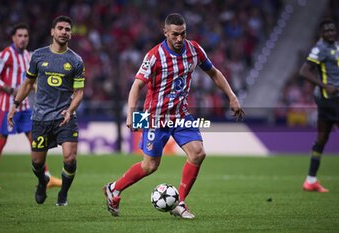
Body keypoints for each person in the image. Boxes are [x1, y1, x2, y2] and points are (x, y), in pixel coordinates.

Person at [103, 13, 244, 219]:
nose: (179, 39)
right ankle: (114, 188)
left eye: (183, 34)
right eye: (175, 35)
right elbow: (137, 85)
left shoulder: (194, 49)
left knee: (198, 153)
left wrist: (232, 97)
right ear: (166, 32)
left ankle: (181, 204)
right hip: (156, 117)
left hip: (180, 115)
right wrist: (131, 113)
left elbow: (214, 72)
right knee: (150, 166)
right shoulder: (154, 56)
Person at [8, 16, 85, 206]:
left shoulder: (75, 61)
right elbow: (28, 83)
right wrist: (15, 104)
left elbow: (79, 93)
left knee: (70, 158)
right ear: (52, 32)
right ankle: (42, 182)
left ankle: (63, 194)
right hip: (41, 117)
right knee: (36, 162)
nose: (64, 32)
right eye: (60, 28)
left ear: (71, 34)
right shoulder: (39, 56)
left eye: (67, 29)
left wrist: (70, 110)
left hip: (64, 117)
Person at [0, 23, 61, 190]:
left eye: (25, 36)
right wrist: (10, 89)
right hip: (7, 106)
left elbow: (30, 80)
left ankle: (47, 177)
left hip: (25, 106)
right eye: (19, 36)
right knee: (1, 140)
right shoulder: (7, 54)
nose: (22, 39)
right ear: (13, 38)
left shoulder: (28, 56)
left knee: (36, 140)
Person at [300, 19, 339, 193]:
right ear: (321, 33)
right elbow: (304, 71)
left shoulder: (335, 46)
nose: (331, 33)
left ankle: (310, 180)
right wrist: (325, 86)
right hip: (329, 99)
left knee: (322, 140)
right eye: (327, 30)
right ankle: (310, 180)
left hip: (331, 100)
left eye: (333, 30)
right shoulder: (320, 48)